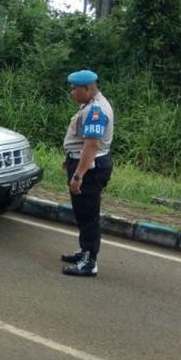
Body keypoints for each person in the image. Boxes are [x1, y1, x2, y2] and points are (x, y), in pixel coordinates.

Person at [61, 69, 114, 277]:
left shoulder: (95, 111)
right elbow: (82, 142)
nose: (72, 92)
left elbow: (92, 145)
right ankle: (84, 251)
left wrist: (78, 175)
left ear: (87, 88)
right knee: (83, 213)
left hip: (91, 170)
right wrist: (71, 160)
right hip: (84, 164)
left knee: (88, 215)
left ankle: (90, 262)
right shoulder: (90, 105)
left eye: (75, 88)